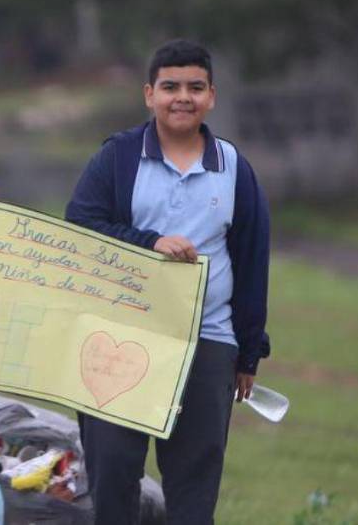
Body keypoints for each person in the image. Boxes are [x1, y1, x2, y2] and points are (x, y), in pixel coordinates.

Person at [65, 39, 271, 525]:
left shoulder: (234, 168)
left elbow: (252, 261)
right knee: (113, 472)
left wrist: (248, 352)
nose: (183, 97)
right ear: (149, 94)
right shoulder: (118, 158)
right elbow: (79, 229)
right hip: (118, 337)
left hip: (206, 342)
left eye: (195, 87)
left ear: (212, 96)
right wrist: (147, 242)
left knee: (194, 483)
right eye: (171, 87)